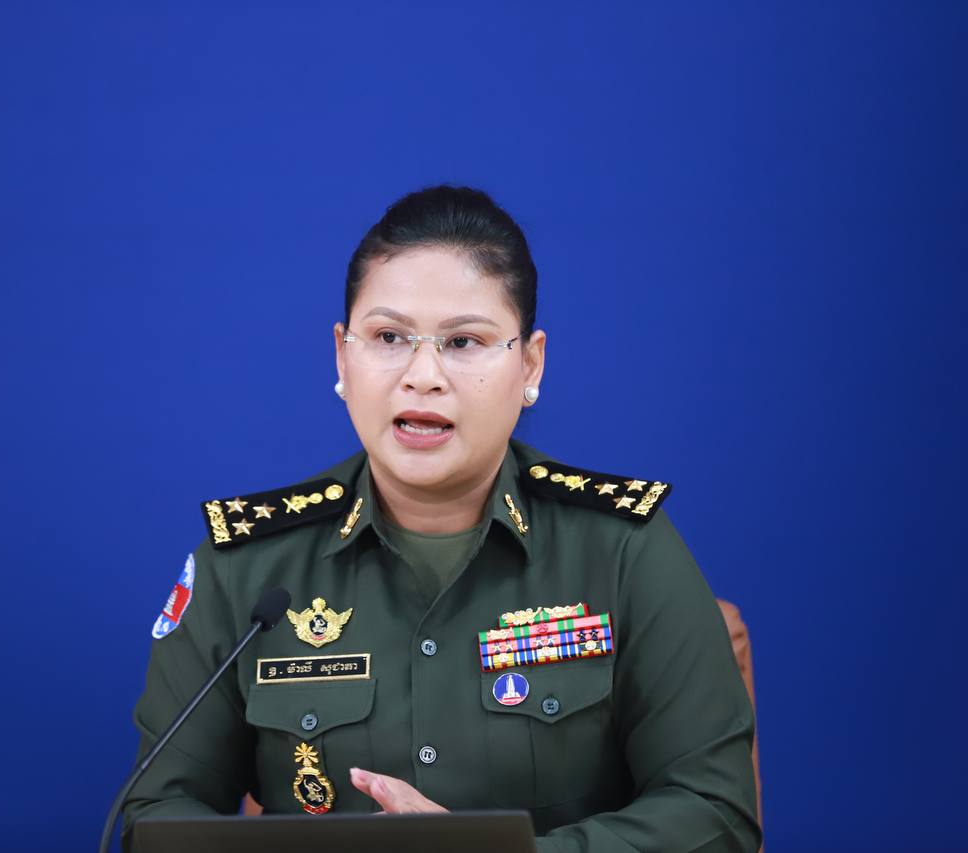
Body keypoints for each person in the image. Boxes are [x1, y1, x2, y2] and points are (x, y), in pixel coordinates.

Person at [123, 186, 761, 852]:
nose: (422, 375)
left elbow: (715, 812)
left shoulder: (622, 549)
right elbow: (156, 810)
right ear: (342, 355)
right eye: (389, 337)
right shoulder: (246, 566)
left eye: (463, 341)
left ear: (530, 362)